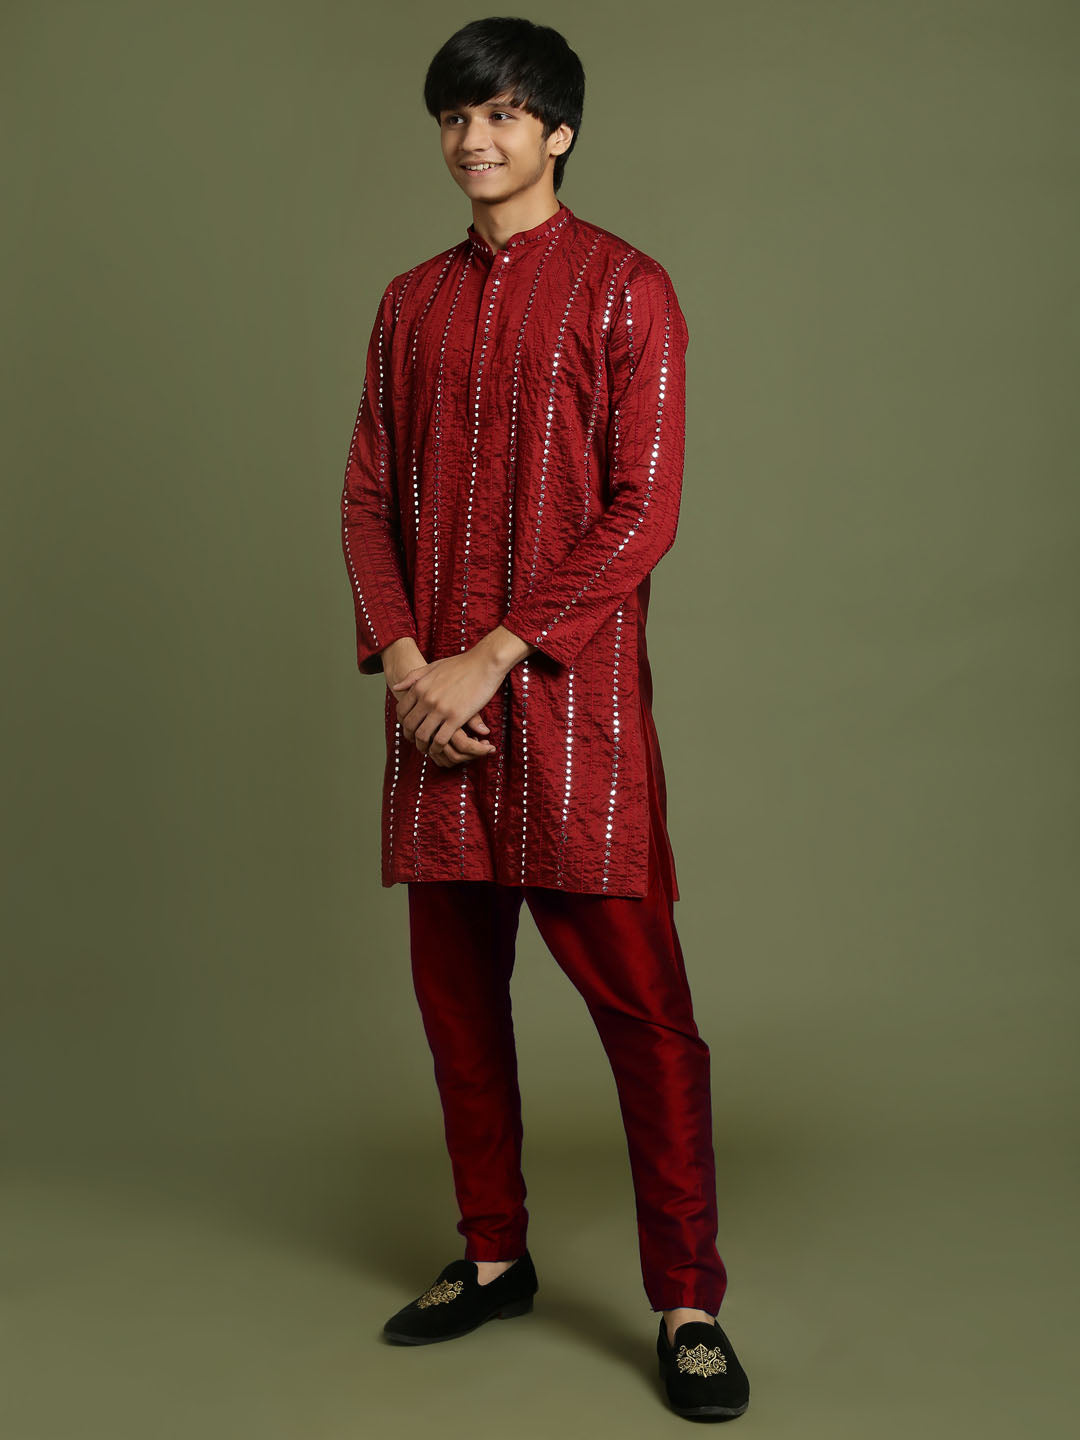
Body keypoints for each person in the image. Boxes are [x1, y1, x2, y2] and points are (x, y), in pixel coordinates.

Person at [340, 16, 750, 1420]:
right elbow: (365, 494)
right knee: (459, 1013)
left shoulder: (628, 289)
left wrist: (493, 658)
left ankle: (687, 1301)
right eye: (458, 116)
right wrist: (414, 669)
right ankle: (494, 1256)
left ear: (558, 133)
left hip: (574, 721)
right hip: (433, 725)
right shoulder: (409, 302)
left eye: (504, 114)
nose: (475, 138)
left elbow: (643, 512)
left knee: (649, 1021)